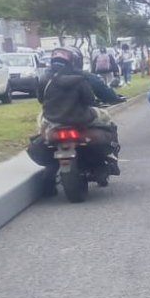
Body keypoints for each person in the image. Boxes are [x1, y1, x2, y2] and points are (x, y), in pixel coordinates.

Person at [27, 47, 123, 194]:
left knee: (40, 126)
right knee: (108, 122)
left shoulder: (44, 79)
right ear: (74, 62)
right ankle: (111, 157)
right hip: (81, 119)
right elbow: (90, 100)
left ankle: (49, 182)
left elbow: (41, 99)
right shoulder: (82, 78)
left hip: (53, 120)